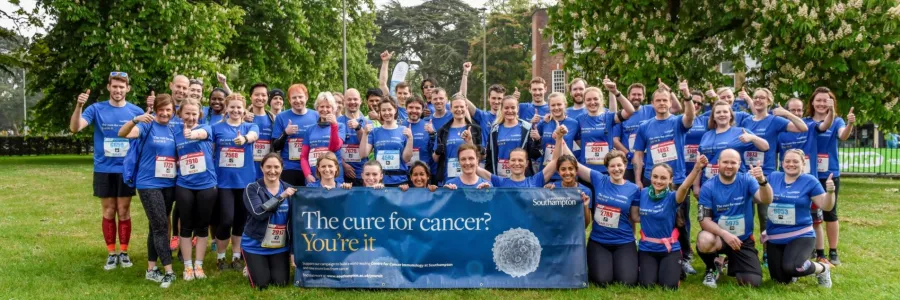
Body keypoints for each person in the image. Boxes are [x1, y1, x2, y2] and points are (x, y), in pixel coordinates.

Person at [69, 72, 144, 270]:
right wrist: (79, 106)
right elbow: (75, 128)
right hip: (104, 168)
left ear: (127, 89)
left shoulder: (135, 111)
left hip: (126, 168)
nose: (118, 90)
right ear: (108, 87)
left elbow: (145, 136)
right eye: (115, 86)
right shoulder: (96, 109)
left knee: (124, 211)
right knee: (109, 211)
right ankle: (111, 253)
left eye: (122, 87)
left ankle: (124, 253)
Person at [557, 128, 640, 286]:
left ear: (625, 165)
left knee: (627, 281)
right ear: (607, 168)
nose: (616, 169)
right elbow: (575, 163)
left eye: (619, 166)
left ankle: (627, 262)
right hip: (599, 240)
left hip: (624, 241)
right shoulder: (599, 179)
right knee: (602, 280)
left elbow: (635, 217)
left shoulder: (633, 189)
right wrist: (561, 139)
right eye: (612, 166)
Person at [631, 81, 696, 274]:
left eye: (665, 100)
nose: (661, 103)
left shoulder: (677, 121)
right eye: (658, 100)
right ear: (652, 103)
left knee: (681, 218)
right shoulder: (644, 127)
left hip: (677, 179)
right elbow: (638, 154)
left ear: (670, 102)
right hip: (653, 178)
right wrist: (638, 178)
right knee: (655, 216)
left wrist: (687, 95)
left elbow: (690, 116)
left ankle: (684, 257)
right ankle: (654, 251)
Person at [740, 88, 809, 266]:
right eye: (755, 98)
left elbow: (803, 127)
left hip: (767, 175)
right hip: (746, 175)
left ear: (769, 101)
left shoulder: (775, 121)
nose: (758, 100)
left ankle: (767, 254)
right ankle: (744, 252)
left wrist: (786, 113)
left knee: (766, 217)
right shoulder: (745, 120)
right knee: (745, 215)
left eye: (762, 98)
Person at [118, 94, 178, 288]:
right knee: (161, 226)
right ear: (156, 109)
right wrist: (136, 119)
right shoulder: (146, 124)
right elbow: (123, 133)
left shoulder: (174, 127)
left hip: (169, 184)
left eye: (169, 110)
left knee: (155, 226)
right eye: (162, 109)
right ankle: (169, 271)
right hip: (148, 183)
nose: (165, 113)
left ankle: (151, 269)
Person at [696, 149, 773, 288]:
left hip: (742, 240)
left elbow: (766, 199)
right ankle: (711, 268)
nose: (729, 166)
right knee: (704, 239)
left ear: (739, 164)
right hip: (720, 238)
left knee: (751, 283)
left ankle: (728, 261)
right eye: (725, 162)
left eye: (733, 162)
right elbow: (704, 220)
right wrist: (725, 234)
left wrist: (762, 181)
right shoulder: (708, 187)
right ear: (718, 163)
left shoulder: (747, 180)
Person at [763, 149, 834, 287]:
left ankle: (822, 269)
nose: (791, 164)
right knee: (780, 281)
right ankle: (792, 269)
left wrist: (830, 192)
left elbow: (826, 206)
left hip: (800, 234)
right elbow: (760, 196)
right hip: (775, 236)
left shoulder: (810, 181)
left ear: (803, 164)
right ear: (782, 163)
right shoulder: (773, 177)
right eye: (787, 161)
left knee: (794, 267)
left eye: (795, 161)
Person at [636, 156, 705, 290]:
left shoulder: (673, 197)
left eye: (663, 178)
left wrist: (696, 169)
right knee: (646, 285)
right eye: (655, 177)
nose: (658, 181)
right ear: (651, 177)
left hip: (668, 249)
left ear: (670, 180)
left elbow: (685, 187)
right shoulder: (643, 193)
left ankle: (676, 269)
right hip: (647, 248)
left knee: (669, 287)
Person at [211, 93, 260, 272]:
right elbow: (211, 149)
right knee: (226, 220)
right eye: (232, 107)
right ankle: (221, 257)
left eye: (239, 107)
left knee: (240, 221)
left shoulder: (249, 126)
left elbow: (255, 134)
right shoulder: (217, 128)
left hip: (245, 182)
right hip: (224, 182)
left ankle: (237, 256)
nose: (236, 110)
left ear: (244, 108)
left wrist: (245, 138)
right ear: (226, 108)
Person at [807, 87, 855, 265]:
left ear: (831, 103)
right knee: (810, 213)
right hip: (809, 174)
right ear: (812, 102)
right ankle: (812, 248)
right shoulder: (806, 122)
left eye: (825, 100)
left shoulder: (837, 121)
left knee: (830, 213)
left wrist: (850, 124)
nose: (821, 103)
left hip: (829, 174)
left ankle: (833, 251)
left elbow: (843, 136)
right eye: (818, 100)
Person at [172, 99, 217, 281]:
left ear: (199, 114)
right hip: (184, 185)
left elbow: (201, 134)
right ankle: (187, 266)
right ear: (180, 114)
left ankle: (199, 265)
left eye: (194, 114)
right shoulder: (175, 133)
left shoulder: (206, 128)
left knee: (202, 227)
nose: (190, 117)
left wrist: (192, 134)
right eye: (187, 113)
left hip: (206, 184)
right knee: (186, 226)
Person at [242, 153, 297, 289]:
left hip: (279, 246)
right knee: (262, 284)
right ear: (261, 168)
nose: (272, 171)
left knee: (281, 283)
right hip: (255, 245)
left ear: (282, 169)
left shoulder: (289, 189)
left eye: (276, 167)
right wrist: (281, 197)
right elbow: (259, 213)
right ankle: (250, 264)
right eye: (268, 167)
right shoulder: (252, 188)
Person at [697, 100, 769, 186]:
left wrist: (753, 138)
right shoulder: (706, 135)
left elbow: (765, 147)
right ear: (713, 117)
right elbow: (698, 162)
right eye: (718, 112)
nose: (722, 114)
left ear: (731, 115)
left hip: (736, 183)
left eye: (725, 112)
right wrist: (696, 185)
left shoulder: (741, 131)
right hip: (709, 183)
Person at [576, 82, 634, 175]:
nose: (592, 102)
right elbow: (576, 138)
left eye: (595, 99)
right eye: (588, 99)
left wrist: (616, 92)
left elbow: (630, 111)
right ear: (584, 101)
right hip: (587, 170)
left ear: (601, 100)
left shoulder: (608, 117)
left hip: (607, 169)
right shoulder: (579, 119)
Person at [272, 84, 319, 186]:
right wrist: (285, 133)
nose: (298, 100)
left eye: (300, 97)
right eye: (294, 98)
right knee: (291, 199)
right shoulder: (281, 117)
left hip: (312, 166)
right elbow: (275, 146)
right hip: (290, 167)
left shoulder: (316, 115)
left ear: (306, 97)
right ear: (289, 100)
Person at [359, 99, 414, 187]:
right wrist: (365, 134)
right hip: (379, 181)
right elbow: (363, 154)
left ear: (395, 110)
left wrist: (410, 139)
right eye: (383, 110)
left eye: (389, 109)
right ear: (380, 112)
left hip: (400, 180)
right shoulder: (375, 131)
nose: (386, 113)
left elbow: (406, 159)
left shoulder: (404, 130)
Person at [611, 81, 658, 183]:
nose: (636, 97)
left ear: (644, 96)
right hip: (629, 164)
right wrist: (629, 155)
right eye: (634, 94)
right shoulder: (622, 115)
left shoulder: (651, 110)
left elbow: (675, 108)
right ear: (628, 96)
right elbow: (615, 140)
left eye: (639, 94)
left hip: (650, 161)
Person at [484, 95, 540, 178]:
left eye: (513, 108)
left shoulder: (527, 128)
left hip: (521, 178)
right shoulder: (494, 130)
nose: (510, 111)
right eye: (506, 108)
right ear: (502, 109)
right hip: (501, 179)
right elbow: (489, 158)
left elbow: (535, 155)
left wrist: (537, 140)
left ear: (517, 109)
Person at [434, 95, 482, 185]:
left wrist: (470, 142)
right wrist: (438, 151)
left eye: (461, 106)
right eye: (456, 107)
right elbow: (435, 158)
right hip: (448, 179)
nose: (459, 109)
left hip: (471, 179)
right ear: (451, 109)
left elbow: (481, 156)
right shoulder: (442, 131)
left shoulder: (475, 129)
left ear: (466, 108)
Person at [301, 92, 346, 185]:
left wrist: (334, 125)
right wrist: (307, 174)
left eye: (328, 107)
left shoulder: (340, 126)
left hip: (334, 174)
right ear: (317, 108)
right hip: (314, 175)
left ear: (333, 109)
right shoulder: (310, 129)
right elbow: (303, 156)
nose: (324, 109)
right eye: (321, 106)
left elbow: (334, 147)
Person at [532, 92, 580, 180]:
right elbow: (535, 145)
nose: (556, 108)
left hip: (566, 173)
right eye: (553, 105)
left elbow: (581, 145)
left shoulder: (574, 123)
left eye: (559, 104)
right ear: (549, 107)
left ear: (565, 105)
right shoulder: (544, 123)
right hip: (546, 172)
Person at [337, 88, 373, 186]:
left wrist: (358, 128)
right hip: (341, 173)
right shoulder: (337, 122)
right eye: (349, 99)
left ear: (360, 101)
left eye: (355, 99)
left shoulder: (368, 123)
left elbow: (366, 149)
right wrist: (343, 165)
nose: (352, 102)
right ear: (344, 102)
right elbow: (332, 148)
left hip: (362, 173)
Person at [248, 83, 276, 179]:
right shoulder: (243, 117)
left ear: (268, 97)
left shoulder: (273, 119)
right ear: (250, 97)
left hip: (267, 169)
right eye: (256, 94)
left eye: (263, 95)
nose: (260, 98)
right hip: (247, 168)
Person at [404, 98, 436, 174]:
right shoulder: (399, 127)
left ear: (422, 110)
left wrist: (432, 134)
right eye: (411, 107)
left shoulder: (428, 126)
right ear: (406, 109)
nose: (414, 110)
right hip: (404, 173)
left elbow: (434, 150)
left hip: (423, 172)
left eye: (417, 108)